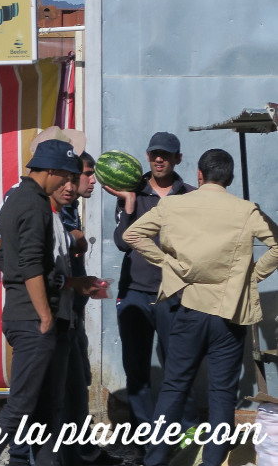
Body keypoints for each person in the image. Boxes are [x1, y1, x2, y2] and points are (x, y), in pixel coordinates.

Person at [123, 149, 278, 466]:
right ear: (229, 178)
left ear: (198, 175)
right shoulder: (246, 210)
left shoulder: (174, 204)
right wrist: (252, 276)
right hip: (229, 312)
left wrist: (166, 263)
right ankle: (212, 462)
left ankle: (154, 460)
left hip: (186, 308)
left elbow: (132, 234)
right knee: (222, 393)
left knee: (174, 387)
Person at [0, 139, 94, 466]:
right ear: (51, 171)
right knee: (21, 406)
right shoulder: (31, 203)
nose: (69, 184)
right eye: (66, 177)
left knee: (45, 411)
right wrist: (44, 317)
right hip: (32, 319)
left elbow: (41, 264)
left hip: (42, 317)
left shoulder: (35, 201)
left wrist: (70, 283)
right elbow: (28, 265)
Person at [109, 132, 194, 446]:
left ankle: (184, 435)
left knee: (178, 366)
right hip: (135, 292)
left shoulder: (190, 195)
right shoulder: (131, 192)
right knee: (136, 369)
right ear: (147, 157)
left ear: (178, 159)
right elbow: (121, 242)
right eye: (155, 154)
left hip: (176, 294)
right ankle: (144, 439)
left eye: (167, 155)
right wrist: (129, 202)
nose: (160, 159)